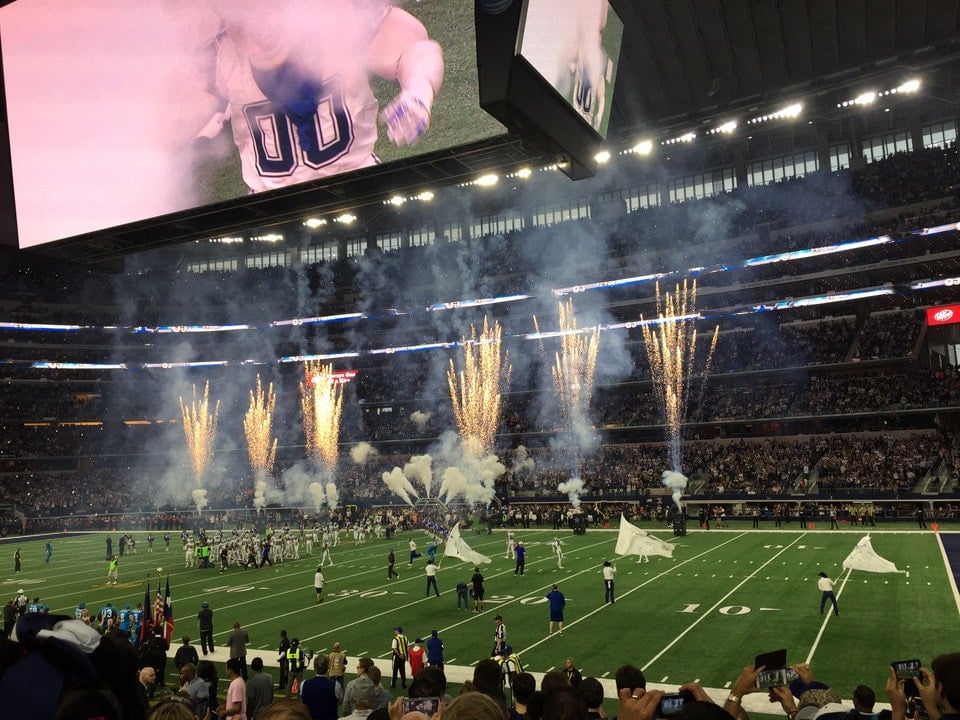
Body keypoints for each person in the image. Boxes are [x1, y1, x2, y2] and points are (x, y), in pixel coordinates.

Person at [198, 0, 445, 195]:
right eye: (243, 18)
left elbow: (415, 48)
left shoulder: (342, 18)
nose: (259, 29)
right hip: (273, 211)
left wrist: (418, 90)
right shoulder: (219, 56)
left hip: (359, 190)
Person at [300, 653, 341, 720]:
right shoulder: (335, 686)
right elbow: (339, 701)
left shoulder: (304, 684)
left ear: (314, 667)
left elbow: (302, 700)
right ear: (328, 668)